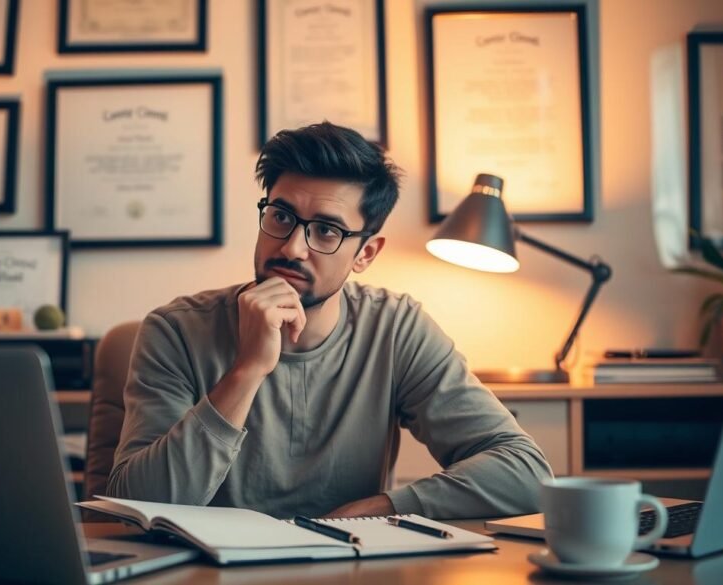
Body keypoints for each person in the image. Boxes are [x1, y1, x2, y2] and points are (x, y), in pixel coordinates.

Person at [107, 122, 552, 519]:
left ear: (365, 254)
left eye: (326, 230)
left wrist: (387, 507)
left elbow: (525, 471)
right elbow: (137, 506)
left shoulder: (395, 329)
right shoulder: (175, 331)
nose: (293, 248)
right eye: (281, 217)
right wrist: (247, 371)